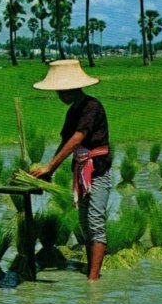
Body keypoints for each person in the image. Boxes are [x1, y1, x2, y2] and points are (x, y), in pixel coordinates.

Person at [29, 59, 112, 281]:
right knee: (85, 224)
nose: (59, 95)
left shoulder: (91, 106)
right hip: (81, 171)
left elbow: (77, 138)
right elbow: (65, 141)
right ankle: (91, 271)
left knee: (95, 222)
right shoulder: (73, 111)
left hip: (98, 171)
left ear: (71, 88)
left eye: (61, 90)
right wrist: (48, 170)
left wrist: (51, 165)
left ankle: (93, 280)